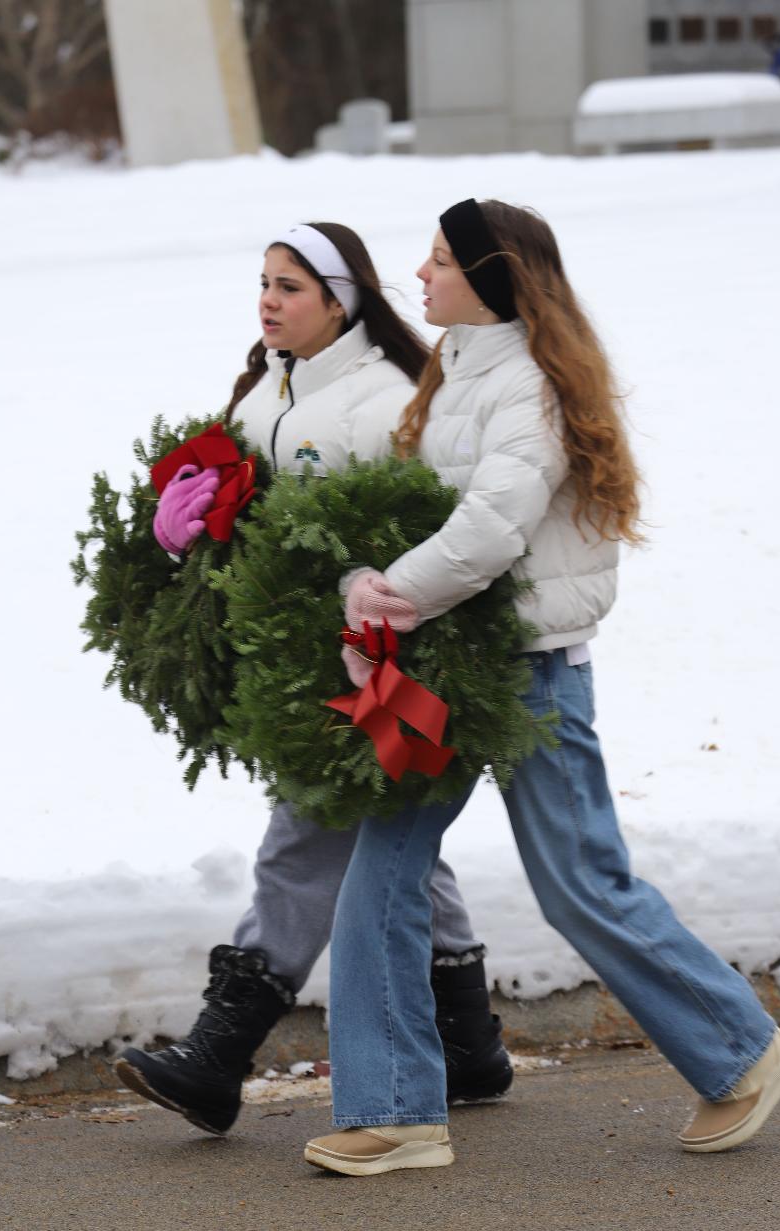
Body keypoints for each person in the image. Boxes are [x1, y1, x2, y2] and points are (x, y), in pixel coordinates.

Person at [303, 199, 780, 1176]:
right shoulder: (455, 371)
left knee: (580, 885)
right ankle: (395, 1109)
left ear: (492, 277)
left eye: (442, 259)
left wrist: (390, 598)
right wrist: (365, 579)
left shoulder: (528, 384)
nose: (421, 274)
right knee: (381, 874)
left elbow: (493, 525)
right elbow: (421, 510)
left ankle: (742, 1051)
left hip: (530, 672)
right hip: (444, 662)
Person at [116, 222, 513, 1135]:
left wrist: (362, 603)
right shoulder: (267, 389)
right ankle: (470, 1045)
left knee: (304, 838)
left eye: (290, 286)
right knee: (396, 843)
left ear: (341, 300)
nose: (269, 301)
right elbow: (252, 513)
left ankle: (218, 1055)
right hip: (294, 661)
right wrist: (196, 518)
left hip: (374, 658)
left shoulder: (386, 401)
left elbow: (413, 527)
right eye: (264, 282)